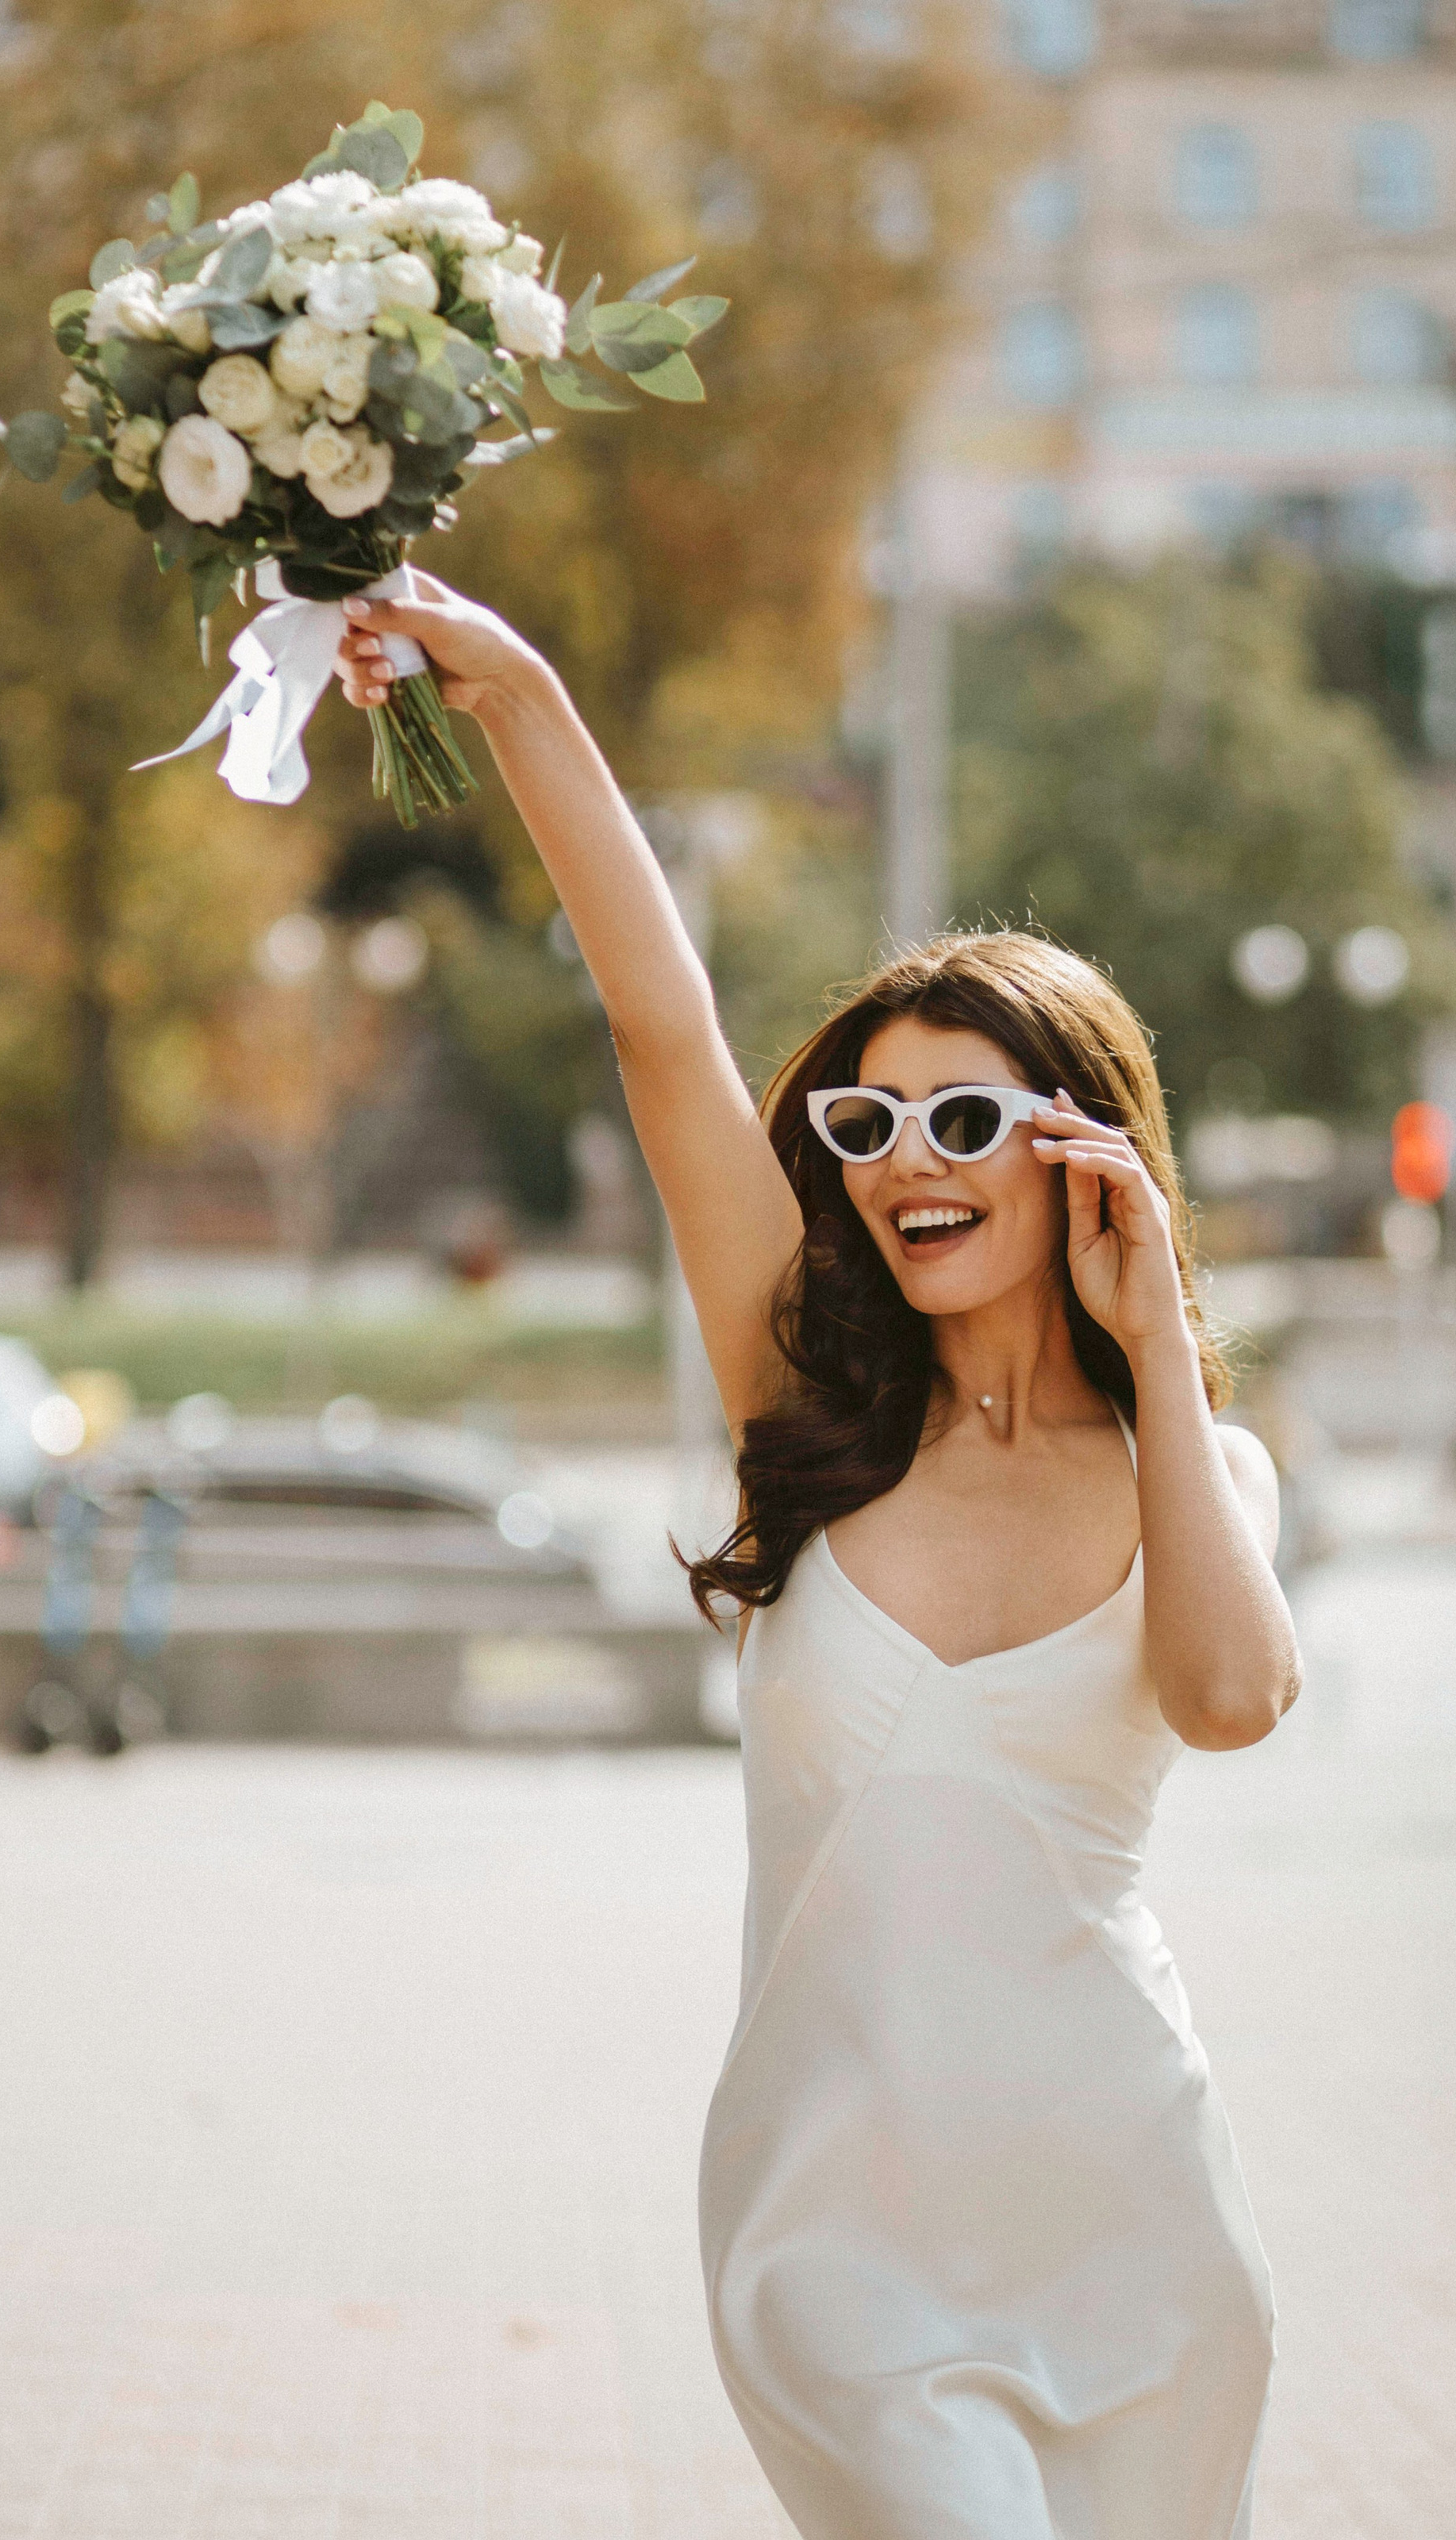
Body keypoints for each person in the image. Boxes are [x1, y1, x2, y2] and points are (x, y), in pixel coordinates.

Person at [336, 575, 1302, 2540]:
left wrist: (1153, 1367)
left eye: (965, 1112)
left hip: (1133, 2223)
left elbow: (1226, 1700)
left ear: (1081, 1145)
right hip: (833, 2238)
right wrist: (513, 685)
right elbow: (656, 1022)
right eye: (866, 1118)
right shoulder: (806, 1394)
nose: (899, 1156)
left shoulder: (1199, 1471)